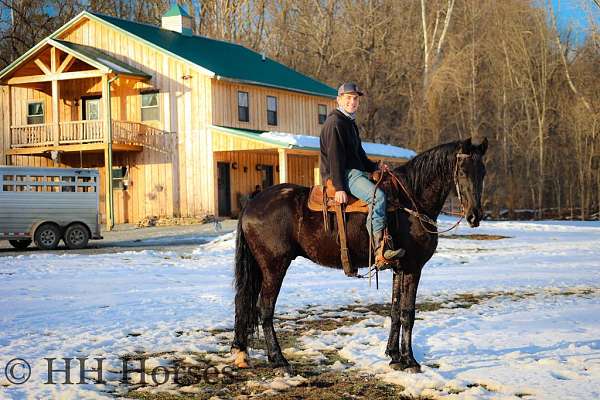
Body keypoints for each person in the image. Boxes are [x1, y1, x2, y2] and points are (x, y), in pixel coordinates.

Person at [319, 82, 404, 273]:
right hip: (343, 174)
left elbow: (359, 154)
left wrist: (375, 166)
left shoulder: (349, 123)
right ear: (338, 100)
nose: (352, 101)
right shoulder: (335, 123)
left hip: (353, 171)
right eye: (348, 98)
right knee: (378, 197)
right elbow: (334, 158)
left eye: (355, 98)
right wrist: (339, 187)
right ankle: (379, 249)